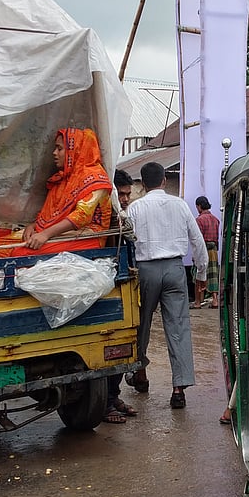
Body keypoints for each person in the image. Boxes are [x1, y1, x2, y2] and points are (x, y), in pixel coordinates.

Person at [123, 162, 208, 409]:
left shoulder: (135, 208)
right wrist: (200, 273)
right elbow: (197, 241)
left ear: (143, 184)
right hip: (174, 269)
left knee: (141, 325)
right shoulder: (180, 205)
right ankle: (178, 388)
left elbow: (126, 241)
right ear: (162, 181)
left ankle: (140, 374)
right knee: (178, 328)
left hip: (145, 270)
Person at [11, 127, 112, 256]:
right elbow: (51, 215)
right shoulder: (64, 179)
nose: (54, 153)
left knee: (18, 253)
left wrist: (45, 234)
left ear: (73, 150)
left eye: (59, 149)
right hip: (59, 234)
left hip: (87, 237)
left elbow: (81, 217)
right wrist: (33, 226)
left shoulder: (95, 177)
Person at [102, 169, 138, 424]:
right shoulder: (103, 217)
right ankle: (103, 403)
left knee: (121, 346)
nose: (125, 199)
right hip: (104, 289)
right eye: (122, 195)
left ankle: (112, 396)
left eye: (128, 195)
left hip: (121, 288)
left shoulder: (121, 218)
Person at [193, 196, 220, 309]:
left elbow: (198, 239)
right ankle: (215, 300)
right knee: (213, 275)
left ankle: (198, 302)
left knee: (199, 274)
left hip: (203, 249)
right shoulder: (215, 219)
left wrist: (195, 255)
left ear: (199, 206)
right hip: (213, 249)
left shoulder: (199, 220)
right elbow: (217, 237)